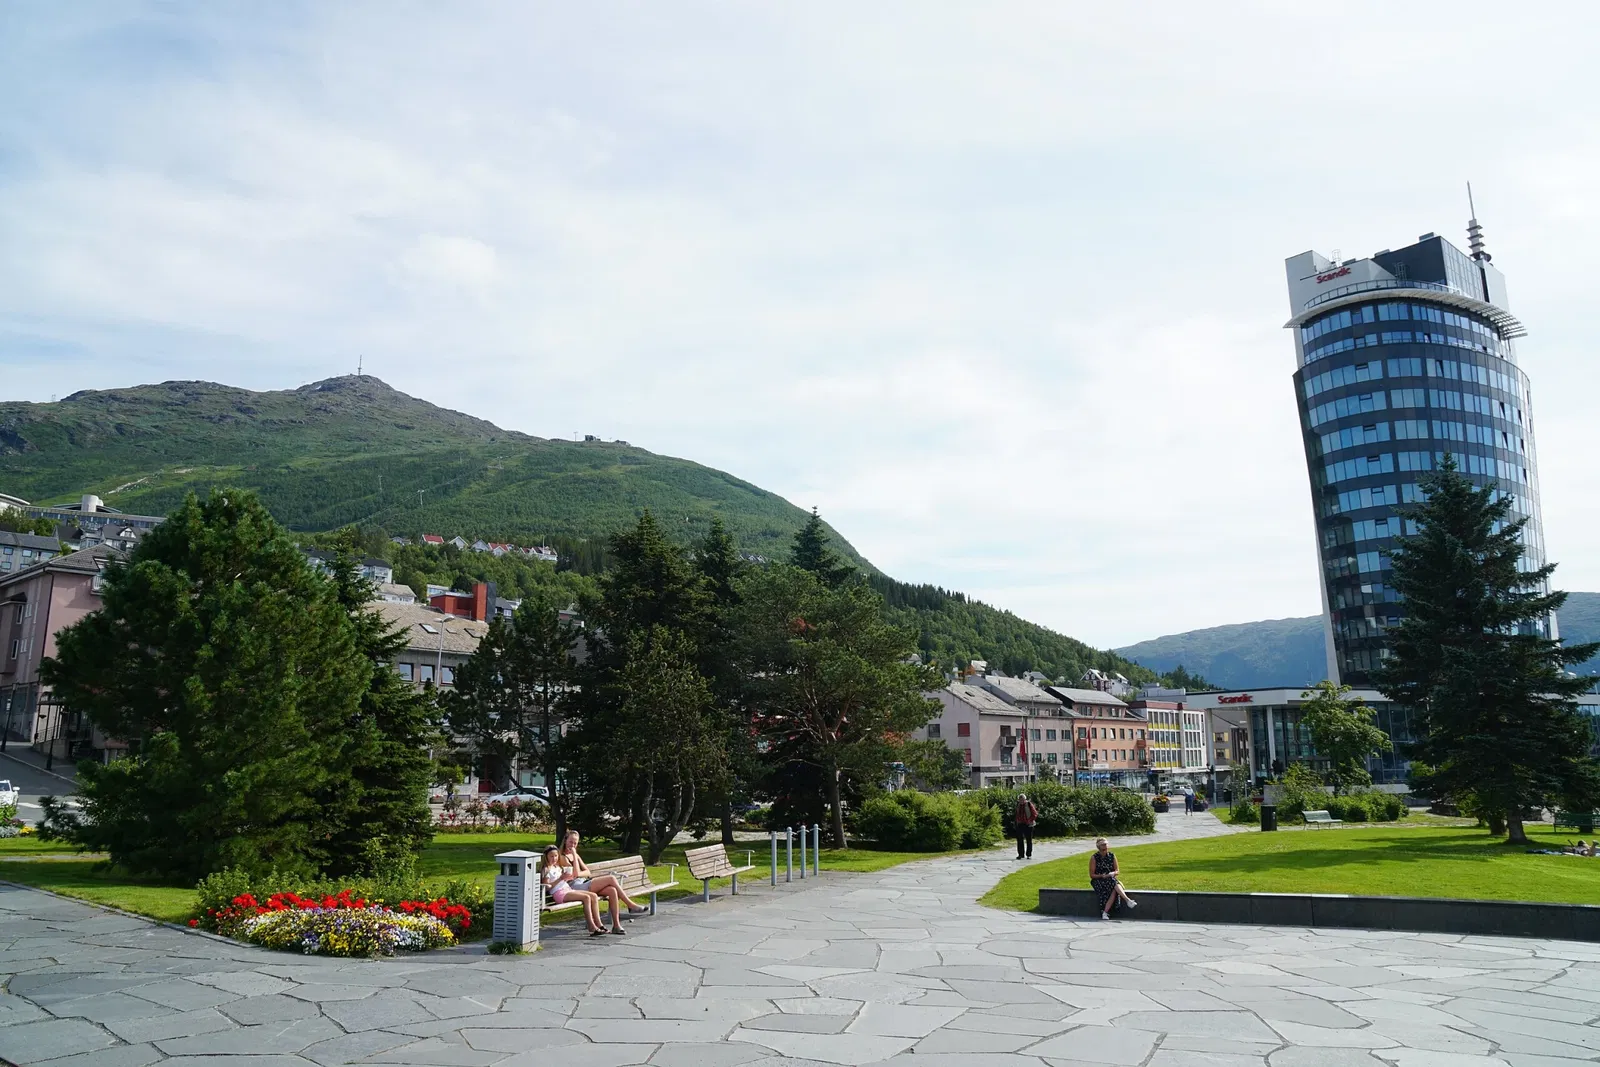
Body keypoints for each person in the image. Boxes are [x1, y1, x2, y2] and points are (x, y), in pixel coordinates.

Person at [559, 830, 648, 924]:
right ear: (565, 841)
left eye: (575, 843)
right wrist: (574, 855)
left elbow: (588, 872)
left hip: (583, 882)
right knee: (611, 878)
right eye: (570, 842)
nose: (572, 845)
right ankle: (630, 905)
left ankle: (616, 925)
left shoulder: (575, 855)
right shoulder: (563, 857)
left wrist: (578, 865)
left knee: (612, 890)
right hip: (575, 887)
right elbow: (576, 874)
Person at [541, 846, 615, 936]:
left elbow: (563, 880)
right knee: (586, 898)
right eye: (551, 856)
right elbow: (547, 887)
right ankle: (591, 925)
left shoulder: (557, 867)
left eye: (556, 856)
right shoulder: (546, 869)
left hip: (567, 889)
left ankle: (599, 924)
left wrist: (567, 877)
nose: (554, 858)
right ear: (546, 857)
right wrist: (560, 878)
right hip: (559, 893)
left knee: (594, 896)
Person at [1089, 837, 1137, 920]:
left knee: (1114, 887)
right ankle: (1127, 900)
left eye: (1106, 845)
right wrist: (1102, 876)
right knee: (1114, 884)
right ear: (1099, 847)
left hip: (1110, 879)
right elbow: (1092, 875)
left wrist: (1113, 873)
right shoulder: (1094, 858)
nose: (1105, 847)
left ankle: (1105, 913)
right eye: (1103, 845)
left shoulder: (1112, 855)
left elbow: (1117, 870)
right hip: (1098, 880)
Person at [1014, 793, 1038, 859]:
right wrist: (1017, 821)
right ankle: (1021, 854)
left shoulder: (1029, 804)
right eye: (1020, 800)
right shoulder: (1018, 805)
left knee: (1028, 840)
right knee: (1019, 840)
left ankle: (1028, 854)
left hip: (1028, 825)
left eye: (1022, 800)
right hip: (1020, 824)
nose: (1021, 801)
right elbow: (1016, 814)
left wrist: (1030, 820)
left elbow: (1035, 814)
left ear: (1025, 799)